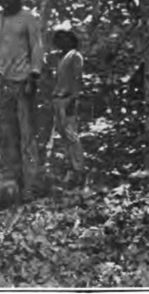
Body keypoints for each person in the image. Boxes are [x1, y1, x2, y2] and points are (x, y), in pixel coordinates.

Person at [0, 0, 43, 200]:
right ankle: (17, 184)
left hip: (23, 81)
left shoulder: (28, 18)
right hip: (3, 83)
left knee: (27, 133)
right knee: (9, 134)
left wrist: (33, 76)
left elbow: (37, 47)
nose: (6, 0)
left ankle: (32, 184)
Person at [50, 22, 85, 186]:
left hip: (67, 99)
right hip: (58, 99)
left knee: (71, 135)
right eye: (59, 39)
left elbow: (77, 79)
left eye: (64, 38)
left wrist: (73, 98)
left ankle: (79, 170)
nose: (61, 42)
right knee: (64, 135)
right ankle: (71, 169)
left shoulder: (75, 55)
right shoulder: (61, 58)